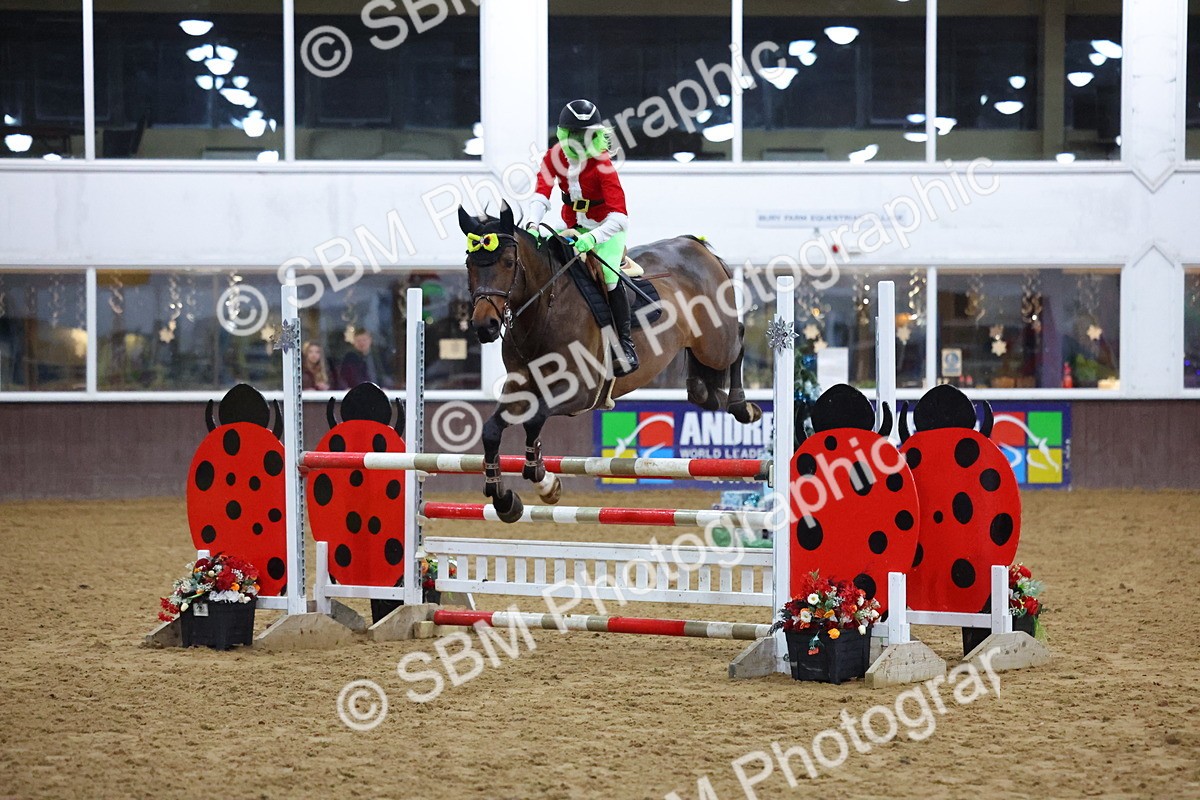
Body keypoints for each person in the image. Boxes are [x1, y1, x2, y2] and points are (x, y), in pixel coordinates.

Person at [525, 99, 638, 376]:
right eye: (572, 135)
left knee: (609, 278)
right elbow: (542, 193)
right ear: (563, 134)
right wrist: (531, 224)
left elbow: (620, 217)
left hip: (606, 230)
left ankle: (625, 346)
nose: (578, 142)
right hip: (573, 227)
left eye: (584, 136)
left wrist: (592, 239)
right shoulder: (553, 156)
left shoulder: (603, 165)